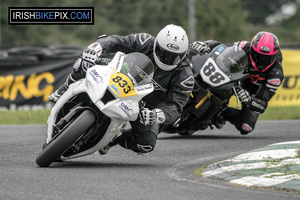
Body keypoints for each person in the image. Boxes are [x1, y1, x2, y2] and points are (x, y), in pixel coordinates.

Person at [49, 24, 195, 154]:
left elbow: (176, 107)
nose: (166, 59)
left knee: (146, 144)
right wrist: (98, 47)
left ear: (182, 56)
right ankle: (62, 90)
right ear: (156, 44)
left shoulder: (185, 77)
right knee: (85, 61)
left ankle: (113, 140)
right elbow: (119, 41)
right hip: (121, 75)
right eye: (163, 53)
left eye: (173, 57)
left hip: (144, 106)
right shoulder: (145, 41)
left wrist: (156, 115)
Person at [189, 31, 284, 135]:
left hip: (251, 91)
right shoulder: (244, 46)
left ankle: (223, 114)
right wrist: (206, 45)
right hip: (235, 78)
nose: (261, 62)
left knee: (246, 127)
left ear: (274, 56)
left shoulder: (276, 75)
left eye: (267, 58)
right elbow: (222, 47)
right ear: (252, 50)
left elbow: (262, 103)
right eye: (258, 56)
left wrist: (250, 100)